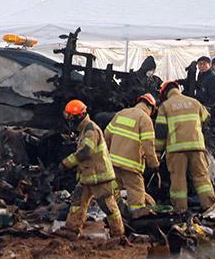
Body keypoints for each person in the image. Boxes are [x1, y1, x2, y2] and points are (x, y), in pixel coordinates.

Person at [60, 99, 123, 239]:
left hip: (100, 176)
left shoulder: (90, 129)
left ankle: (118, 234)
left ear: (79, 116)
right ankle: (71, 229)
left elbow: (85, 151)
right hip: (88, 176)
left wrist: (66, 163)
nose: (69, 121)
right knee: (77, 201)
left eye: (71, 117)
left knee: (107, 205)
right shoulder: (84, 130)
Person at [155, 81, 215, 214]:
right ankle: (210, 207)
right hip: (196, 146)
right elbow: (207, 119)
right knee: (201, 177)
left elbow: (160, 132)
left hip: (176, 149)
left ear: (165, 93)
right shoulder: (194, 102)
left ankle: (180, 210)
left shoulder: (165, 106)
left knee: (178, 179)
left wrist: (158, 152)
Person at [104, 93, 160, 218]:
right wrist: (154, 164)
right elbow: (148, 145)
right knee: (136, 191)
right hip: (131, 165)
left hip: (113, 162)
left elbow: (106, 135)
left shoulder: (121, 113)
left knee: (114, 190)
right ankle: (137, 216)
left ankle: (116, 216)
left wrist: (106, 155)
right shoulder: (145, 119)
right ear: (150, 107)